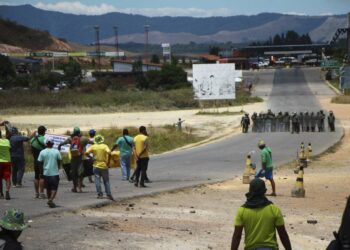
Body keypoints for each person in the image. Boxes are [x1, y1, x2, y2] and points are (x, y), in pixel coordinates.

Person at [230, 178, 292, 250]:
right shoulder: (274, 209)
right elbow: (283, 234)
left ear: (250, 191)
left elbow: (237, 236)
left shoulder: (242, 211)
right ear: (264, 191)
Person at [59, 127, 88, 193]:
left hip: (73, 159)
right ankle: (80, 188)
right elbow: (91, 142)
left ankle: (74, 187)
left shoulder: (70, 138)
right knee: (80, 173)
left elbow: (63, 143)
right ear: (79, 132)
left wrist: (59, 146)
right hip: (80, 158)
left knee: (74, 174)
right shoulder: (83, 139)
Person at [85, 134, 114, 200]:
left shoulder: (93, 146)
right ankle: (108, 194)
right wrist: (108, 162)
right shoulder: (104, 146)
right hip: (104, 165)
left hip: (95, 165)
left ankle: (100, 194)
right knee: (106, 181)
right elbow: (109, 153)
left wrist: (91, 158)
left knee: (97, 180)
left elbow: (86, 153)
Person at [38, 138, 62, 208]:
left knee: (48, 188)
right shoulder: (56, 151)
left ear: (45, 144)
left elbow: (39, 162)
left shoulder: (42, 152)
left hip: (46, 173)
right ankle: (50, 200)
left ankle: (49, 200)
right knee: (54, 188)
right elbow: (59, 161)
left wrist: (41, 172)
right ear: (53, 144)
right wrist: (58, 168)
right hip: (54, 173)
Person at [30, 125, 47, 199]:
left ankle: (36, 193)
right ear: (44, 132)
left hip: (35, 160)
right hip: (42, 161)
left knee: (36, 176)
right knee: (42, 176)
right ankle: (42, 193)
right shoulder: (44, 139)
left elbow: (31, 150)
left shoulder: (32, 140)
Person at [0, 130, 12, 200]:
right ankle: (7, 191)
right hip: (7, 161)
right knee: (7, 177)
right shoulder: (7, 141)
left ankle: (1, 193)